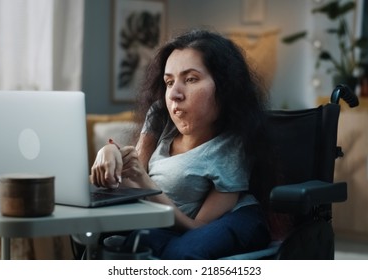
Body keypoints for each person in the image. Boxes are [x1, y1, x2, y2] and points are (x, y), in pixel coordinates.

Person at [90, 28, 272, 259]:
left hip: (231, 220)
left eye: (191, 79)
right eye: (168, 82)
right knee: (112, 238)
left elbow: (197, 228)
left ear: (226, 86)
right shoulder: (160, 116)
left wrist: (144, 183)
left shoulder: (231, 147)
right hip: (171, 224)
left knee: (181, 253)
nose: (174, 94)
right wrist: (110, 153)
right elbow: (133, 176)